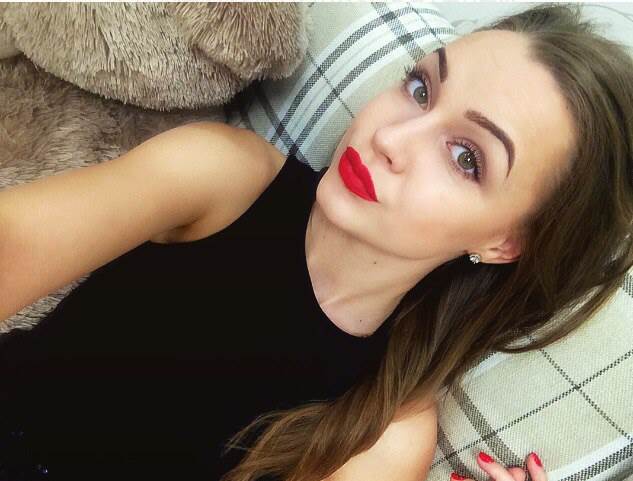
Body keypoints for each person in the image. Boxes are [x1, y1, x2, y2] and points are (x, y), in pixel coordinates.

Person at [0, 3, 631, 481]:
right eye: (420, 89)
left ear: (503, 243)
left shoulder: (387, 433)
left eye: (466, 157)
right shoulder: (222, 175)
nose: (391, 138)